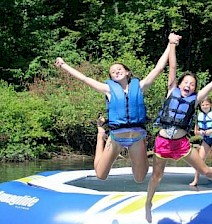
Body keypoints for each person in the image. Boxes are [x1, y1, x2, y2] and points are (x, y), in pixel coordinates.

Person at [54, 33, 181, 182]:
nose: (116, 72)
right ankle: (100, 135)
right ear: (111, 77)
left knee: (140, 178)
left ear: (127, 72)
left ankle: (145, 150)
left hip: (137, 136)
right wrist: (63, 65)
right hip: (116, 137)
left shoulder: (139, 87)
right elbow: (84, 78)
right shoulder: (108, 89)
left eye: (119, 69)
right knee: (101, 175)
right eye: (113, 72)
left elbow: (158, 68)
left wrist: (170, 44)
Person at [145, 34, 212, 223]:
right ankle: (148, 203)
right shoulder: (171, 89)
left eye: (192, 84)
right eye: (186, 82)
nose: (188, 85)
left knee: (206, 170)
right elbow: (172, 66)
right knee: (157, 176)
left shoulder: (195, 99)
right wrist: (172, 44)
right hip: (163, 142)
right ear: (179, 84)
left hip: (181, 143)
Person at [189, 96, 212, 186]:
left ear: (210, 105)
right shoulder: (199, 116)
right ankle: (195, 180)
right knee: (199, 161)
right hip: (205, 140)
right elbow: (195, 132)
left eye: (207, 104)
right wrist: (200, 132)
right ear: (200, 106)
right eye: (203, 105)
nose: (205, 106)